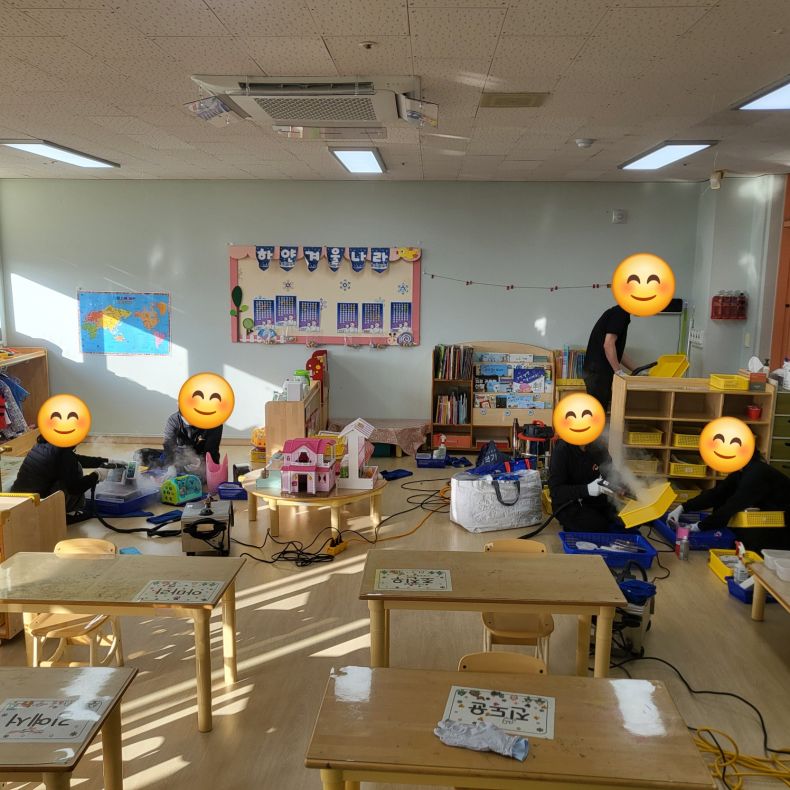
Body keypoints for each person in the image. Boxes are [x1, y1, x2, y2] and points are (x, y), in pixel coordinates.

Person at [668, 452, 790, 550]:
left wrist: (699, 526)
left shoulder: (756, 474)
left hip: (784, 524)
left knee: (750, 544)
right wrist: (683, 507)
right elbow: (717, 494)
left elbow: (732, 506)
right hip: (773, 518)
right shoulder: (742, 470)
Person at [11, 435, 109, 517]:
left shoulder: (44, 444)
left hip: (18, 500)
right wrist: (97, 475)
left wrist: (105, 461)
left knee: (72, 467)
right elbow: (75, 488)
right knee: (75, 470)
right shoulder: (63, 454)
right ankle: (70, 513)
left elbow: (75, 459)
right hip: (36, 507)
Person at [548, 437, 623, 532]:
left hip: (596, 501)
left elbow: (610, 474)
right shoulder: (562, 450)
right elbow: (556, 491)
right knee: (598, 526)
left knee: (625, 520)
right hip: (568, 503)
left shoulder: (599, 446)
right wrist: (587, 489)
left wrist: (622, 485)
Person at [583, 304, 637, 411]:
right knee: (597, 412)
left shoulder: (618, 312)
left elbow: (616, 352)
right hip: (598, 373)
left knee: (598, 411)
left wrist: (638, 370)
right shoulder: (621, 313)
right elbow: (608, 345)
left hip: (595, 372)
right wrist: (618, 372)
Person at [163, 411, 222, 478]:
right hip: (182, 455)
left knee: (210, 477)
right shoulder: (173, 420)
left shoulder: (214, 422)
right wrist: (170, 466)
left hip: (203, 455)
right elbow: (168, 445)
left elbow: (212, 450)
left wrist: (201, 461)